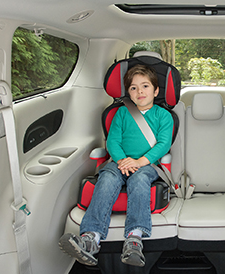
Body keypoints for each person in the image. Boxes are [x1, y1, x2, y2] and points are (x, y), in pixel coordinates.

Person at [59, 64, 174, 267]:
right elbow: (113, 141)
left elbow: (163, 144)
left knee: (139, 179)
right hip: (119, 163)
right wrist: (121, 161)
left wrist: (139, 162)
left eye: (145, 86)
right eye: (133, 88)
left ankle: (134, 237)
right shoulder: (121, 113)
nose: (139, 92)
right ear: (127, 92)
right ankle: (91, 238)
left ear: (156, 90)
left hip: (147, 165)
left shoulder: (163, 116)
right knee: (107, 177)